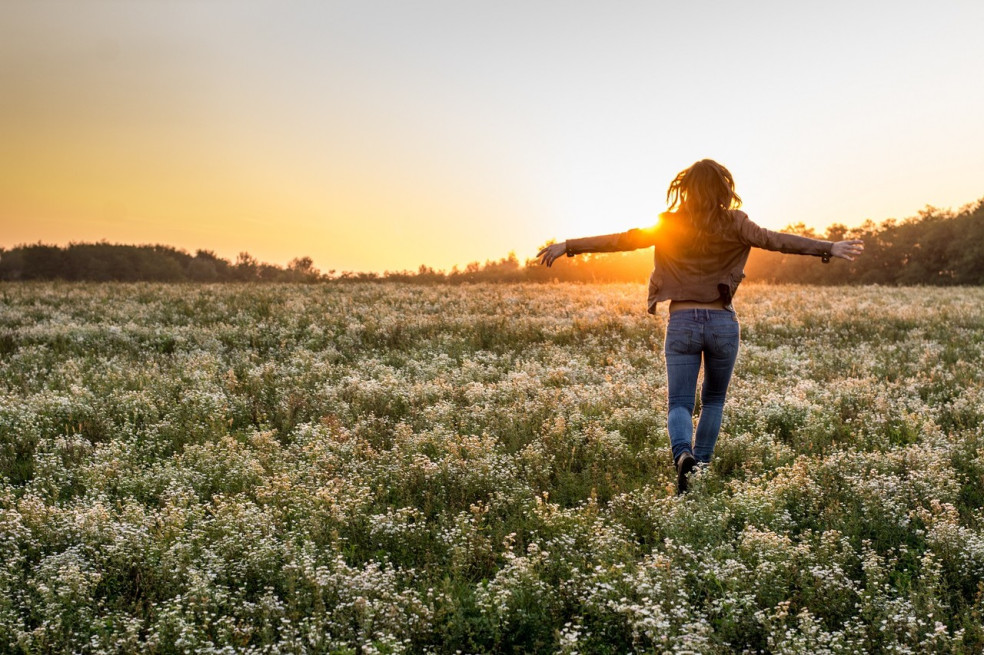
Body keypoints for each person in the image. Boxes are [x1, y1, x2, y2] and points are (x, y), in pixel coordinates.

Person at [537, 159, 864, 494]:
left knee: (679, 403)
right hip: (722, 322)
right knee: (714, 401)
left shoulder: (669, 225)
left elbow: (623, 240)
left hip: (682, 322)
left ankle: (683, 456)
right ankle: (699, 472)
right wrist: (828, 248)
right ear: (724, 188)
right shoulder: (737, 222)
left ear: (685, 189)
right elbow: (777, 240)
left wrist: (569, 246)